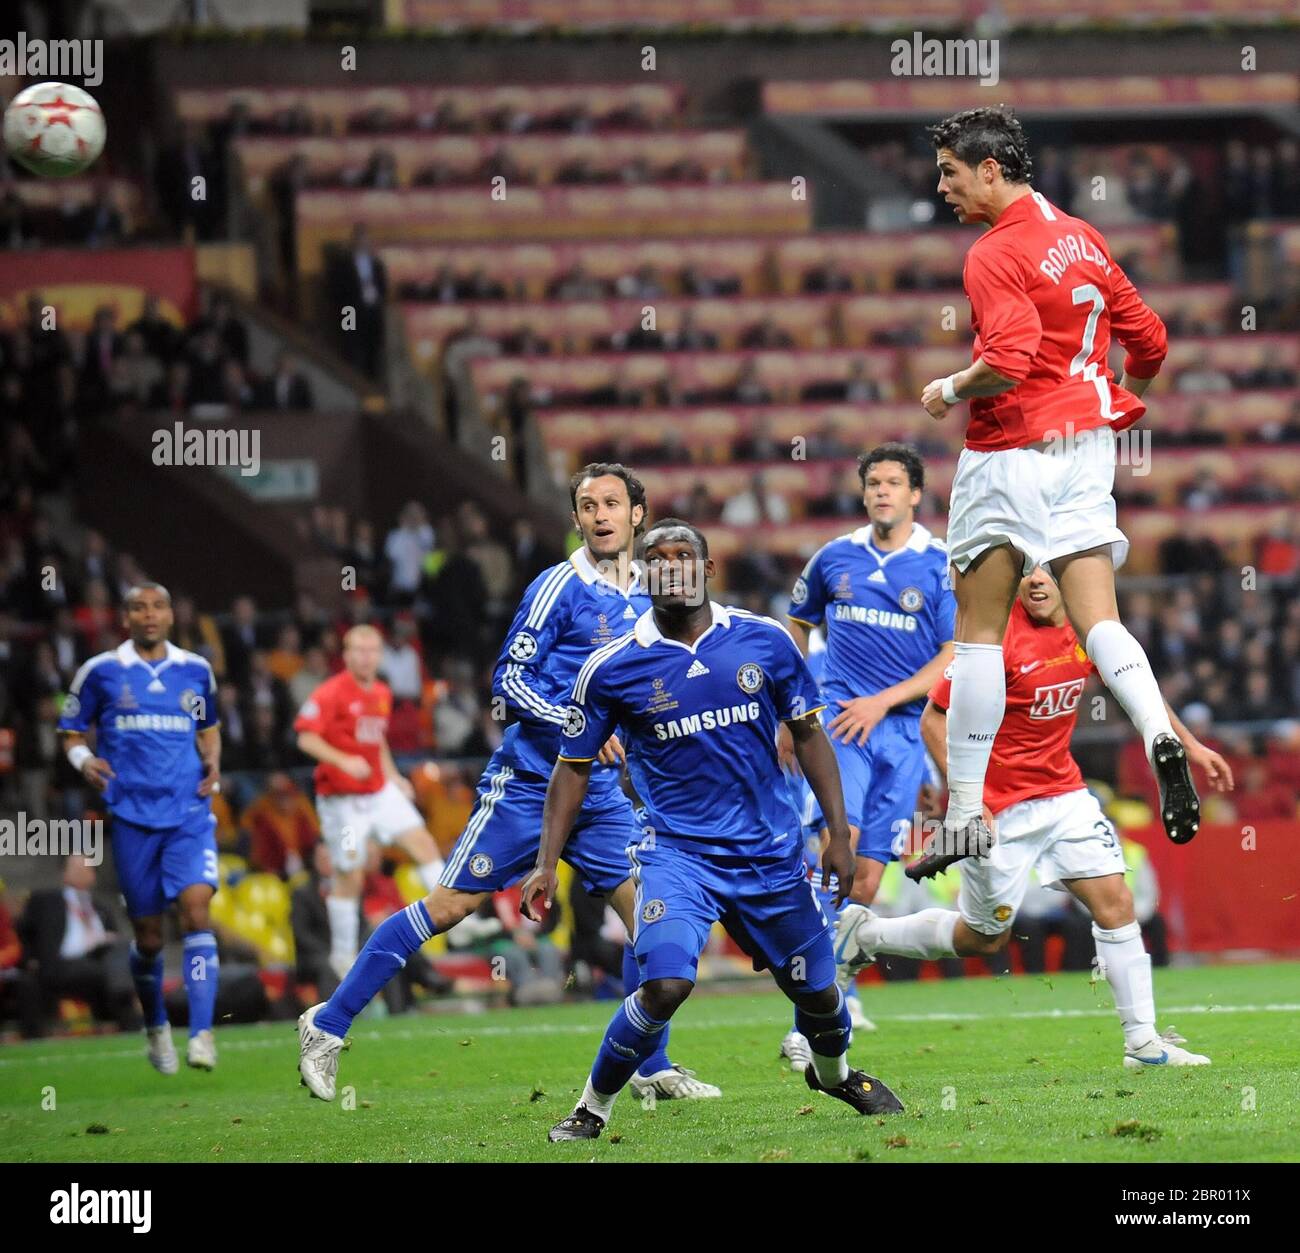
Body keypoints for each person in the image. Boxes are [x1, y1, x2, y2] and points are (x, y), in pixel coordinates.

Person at [296, 467, 720, 1103]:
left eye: (611, 503)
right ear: (576, 520)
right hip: (529, 784)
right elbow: (509, 683)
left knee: (651, 923)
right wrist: (576, 724)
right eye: (586, 506)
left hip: (601, 796)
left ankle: (651, 1067)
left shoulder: (652, 597)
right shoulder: (557, 587)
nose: (599, 515)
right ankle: (326, 1026)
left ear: (638, 515)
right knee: (449, 909)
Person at [524, 519, 904, 1141]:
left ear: (706, 571)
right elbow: (571, 770)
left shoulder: (766, 641)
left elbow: (809, 736)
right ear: (642, 574)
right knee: (667, 983)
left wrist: (838, 832)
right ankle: (592, 1108)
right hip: (678, 856)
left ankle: (834, 1076)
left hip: (769, 854)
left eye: (684, 557)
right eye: (656, 558)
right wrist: (546, 861)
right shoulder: (612, 666)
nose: (670, 567)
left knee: (818, 997)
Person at [919, 106, 1199, 864]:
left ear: (988, 169)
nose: (941, 186)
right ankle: (1157, 729)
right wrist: (1118, 399)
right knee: (1098, 618)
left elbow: (1007, 358)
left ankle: (968, 811)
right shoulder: (1083, 235)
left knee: (978, 631)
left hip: (1011, 446)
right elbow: (1151, 340)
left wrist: (949, 386)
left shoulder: (992, 252)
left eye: (949, 171)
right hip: (1088, 446)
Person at [835, 566, 1233, 1069]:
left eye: (1049, 570)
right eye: (1027, 572)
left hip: (1064, 793)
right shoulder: (996, 639)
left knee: (1116, 902)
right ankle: (865, 935)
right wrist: (965, 796)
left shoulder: (1090, 633)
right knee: (984, 936)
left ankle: (1142, 1043)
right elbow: (933, 718)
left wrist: (1189, 744)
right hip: (999, 810)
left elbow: (1141, 694)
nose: (1038, 581)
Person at [786, 444, 954, 1029]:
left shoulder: (938, 564)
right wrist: (798, 702)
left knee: (868, 877)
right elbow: (799, 621)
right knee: (842, 842)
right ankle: (807, 1016)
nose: (882, 491)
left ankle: (840, 988)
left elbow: (951, 654)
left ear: (914, 494)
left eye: (893, 483)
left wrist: (888, 703)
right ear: (864, 494)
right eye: (873, 483)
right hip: (841, 724)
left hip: (904, 733)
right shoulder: (835, 558)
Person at [57, 583, 223, 1072]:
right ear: (125, 616)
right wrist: (85, 760)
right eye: (138, 607)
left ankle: (203, 1033)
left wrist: (212, 764)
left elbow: (206, 728)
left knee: (197, 909)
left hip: (189, 813)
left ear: (171, 614)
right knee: (149, 939)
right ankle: (155, 1025)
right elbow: (69, 731)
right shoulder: (101, 673)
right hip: (132, 817)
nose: (149, 615)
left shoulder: (195, 671)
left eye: (157, 606)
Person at [293, 624, 445, 979]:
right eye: (357, 650)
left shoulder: (380, 691)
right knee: (349, 872)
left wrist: (392, 775)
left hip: (378, 792)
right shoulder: (331, 692)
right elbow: (305, 738)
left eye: (371, 650)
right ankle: (343, 955)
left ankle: (451, 915)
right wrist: (343, 760)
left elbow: (377, 741)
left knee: (422, 843)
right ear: (345, 655)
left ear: (378, 655)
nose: (365, 656)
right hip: (342, 802)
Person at [16, 856, 138, 1036]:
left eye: (86, 869)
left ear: (94, 876)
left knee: (122, 948)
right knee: (117, 974)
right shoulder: (45, 900)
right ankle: (130, 1009)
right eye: (76, 868)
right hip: (59, 965)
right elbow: (23, 932)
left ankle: (130, 1025)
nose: (82, 872)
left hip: (97, 962)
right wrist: (29, 960)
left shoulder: (101, 908)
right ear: (64, 873)